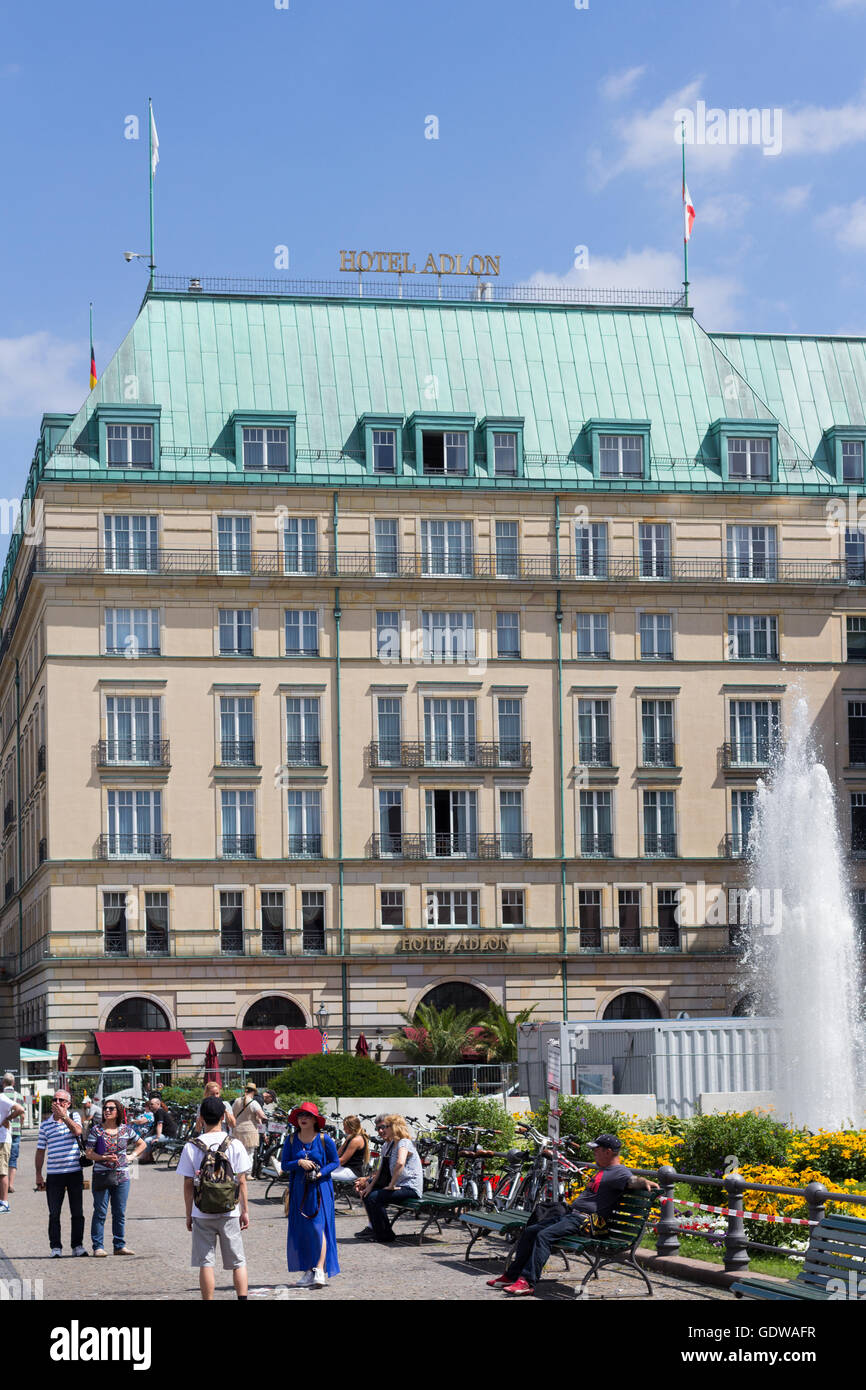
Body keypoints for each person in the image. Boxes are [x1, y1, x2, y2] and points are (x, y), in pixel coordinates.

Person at [489, 1134, 659, 1296]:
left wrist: (643, 1182)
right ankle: (511, 1276)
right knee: (531, 1231)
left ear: (608, 1152)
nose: (593, 1152)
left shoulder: (619, 1172)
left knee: (544, 1236)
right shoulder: (604, 1170)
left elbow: (631, 1180)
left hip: (585, 1221)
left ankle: (527, 1282)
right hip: (573, 1216)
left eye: (596, 1149)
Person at [177, 1095, 250, 1301]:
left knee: (206, 1263)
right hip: (230, 1210)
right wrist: (245, 1210)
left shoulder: (191, 1146)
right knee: (238, 1261)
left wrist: (189, 1213)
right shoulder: (234, 1144)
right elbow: (242, 1181)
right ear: (224, 1117)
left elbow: (188, 1184)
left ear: (201, 1118)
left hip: (202, 1211)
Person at [280, 1102, 340, 1288]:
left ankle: (319, 1269)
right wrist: (298, 1162)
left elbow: (335, 1162)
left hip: (320, 1189)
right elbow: (284, 1165)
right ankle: (308, 1270)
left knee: (317, 1228)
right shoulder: (290, 1140)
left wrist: (321, 1173)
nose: (303, 1119)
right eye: (300, 1116)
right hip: (299, 1188)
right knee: (303, 1230)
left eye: (307, 1115)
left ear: (315, 1119)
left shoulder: (324, 1139)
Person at [84, 1100, 146, 1255]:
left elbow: (142, 1144)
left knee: (119, 1212)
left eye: (111, 1108)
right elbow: (89, 1153)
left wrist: (132, 1156)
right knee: (100, 1211)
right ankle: (98, 1246)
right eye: (105, 1108)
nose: (107, 1111)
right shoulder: (96, 1130)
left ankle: (119, 1245)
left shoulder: (126, 1129)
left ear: (118, 1111)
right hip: (102, 1175)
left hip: (122, 1175)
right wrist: (103, 1157)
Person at [34, 1090, 87, 1257]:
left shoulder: (74, 1117)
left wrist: (64, 1117)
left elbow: (78, 1132)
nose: (57, 1102)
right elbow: (41, 1150)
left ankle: (77, 1245)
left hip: (74, 1172)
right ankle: (55, 1247)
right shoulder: (45, 1124)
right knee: (54, 1212)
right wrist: (38, 1174)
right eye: (55, 1099)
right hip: (54, 1174)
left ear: (68, 1104)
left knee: (77, 1212)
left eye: (62, 1100)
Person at [355, 1114, 422, 1243]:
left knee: (374, 1198)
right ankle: (377, 1230)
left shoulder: (404, 1142)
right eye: (378, 1129)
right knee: (368, 1194)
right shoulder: (388, 1145)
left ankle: (385, 1235)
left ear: (394, 1127)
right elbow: (380, 1169)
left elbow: (400, 1163)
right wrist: (369, 1186)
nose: (381, 1131)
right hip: (400, 1185)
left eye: (385, 1127)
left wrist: (391, 1185)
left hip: (410, 1187)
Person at [0, 1083, 25, 1213]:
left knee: (2, 1171)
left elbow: (20, 1109)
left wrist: (7, 1119)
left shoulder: (2, 1098)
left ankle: (4, 1203)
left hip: (2, 1140)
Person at [232, 1083, 265, 1159]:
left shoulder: (237, 1101)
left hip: (237, 1131)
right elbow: (262, 1115)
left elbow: (232, 1113)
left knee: (237, 1154)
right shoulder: (253, 1103)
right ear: (253, 1092)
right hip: (249, 1134)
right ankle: (247, 1171)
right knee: (249, 1155)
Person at [331, 1116, 369, 1181]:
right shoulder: (350, 1137)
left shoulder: (356, 1140)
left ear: (351, 1127)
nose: (343, 1129)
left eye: (345, 1127)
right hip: (344, 1167)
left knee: (324, 1174)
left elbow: (343, 1160)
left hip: (352, 1171)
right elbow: (338, 1153)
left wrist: (327, 1162)